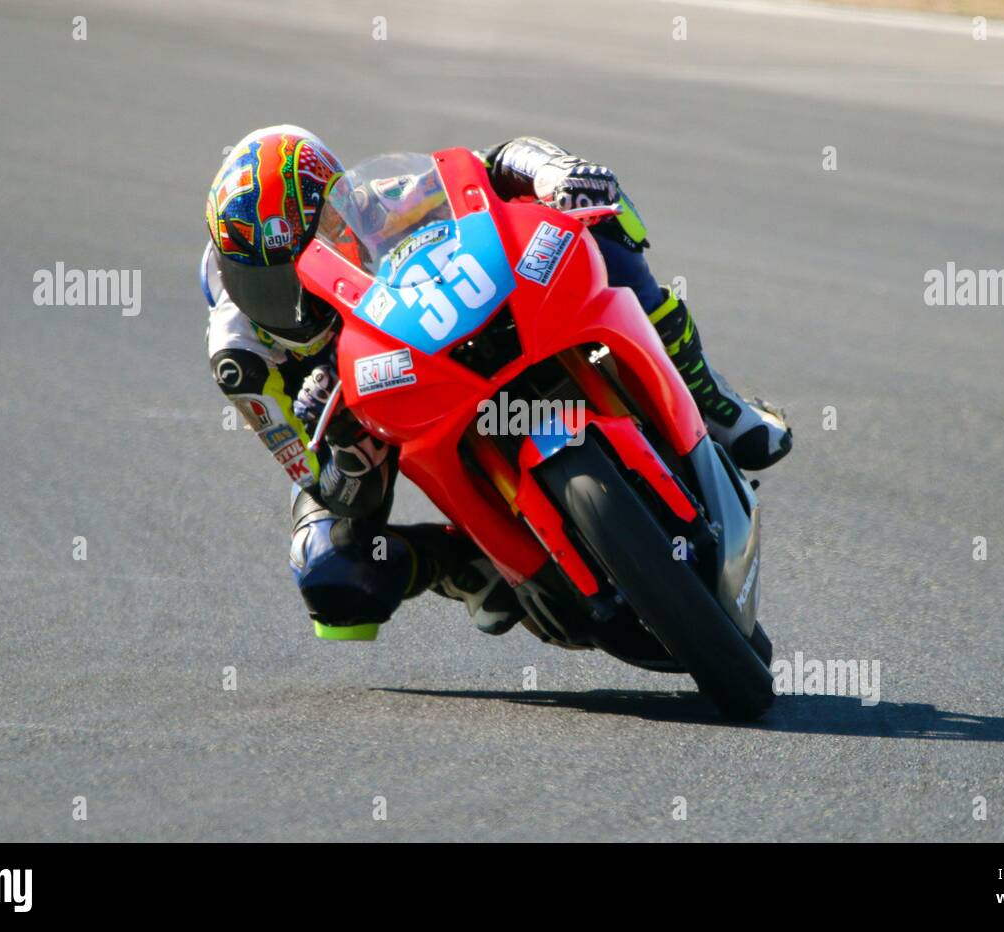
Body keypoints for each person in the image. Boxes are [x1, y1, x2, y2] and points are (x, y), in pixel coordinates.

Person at [202, 126, 792, 641]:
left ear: (338, 211)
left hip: (434, 333)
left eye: (303, 261)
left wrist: (557, 173)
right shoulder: (243, 358)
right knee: (329, 573)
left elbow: (489, 167)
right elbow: (327, 488)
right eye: (265, 282)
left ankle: (712, 399)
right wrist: (346, 460)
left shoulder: (377, 206)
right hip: (349, 425)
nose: (292, 300)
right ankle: (464, 569)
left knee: (597, 219)